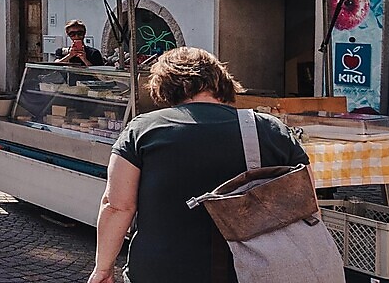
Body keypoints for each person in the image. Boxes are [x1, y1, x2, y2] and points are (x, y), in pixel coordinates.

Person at [90, 46, 307, 283]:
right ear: (221, 81)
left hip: (161, 271)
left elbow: (117, 206)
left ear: (166, 87)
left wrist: (103, 268)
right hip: (251, 271)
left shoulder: (143, 130)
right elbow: (306, 199)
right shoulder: (271, 129)